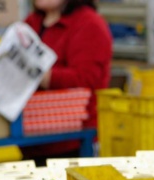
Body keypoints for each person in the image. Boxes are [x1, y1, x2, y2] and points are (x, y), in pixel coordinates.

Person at [20, 0, 113, 165]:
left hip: (72, 141)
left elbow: (85, 79)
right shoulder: (32, 21)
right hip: (31, 137)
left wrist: (38, 73)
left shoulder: (89, 24)